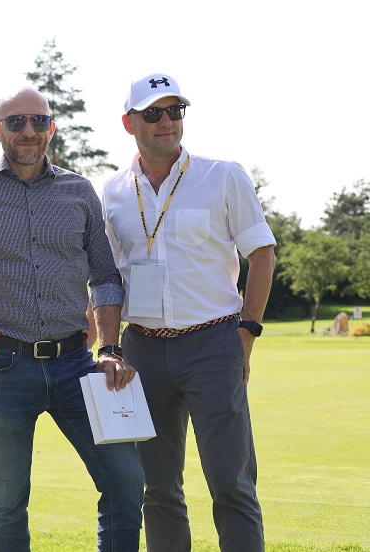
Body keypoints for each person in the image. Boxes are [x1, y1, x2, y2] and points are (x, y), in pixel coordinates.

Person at [0, 85, 145, 552]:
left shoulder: (79, 192)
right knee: (8, 503)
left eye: (39, 121)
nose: (29, 131)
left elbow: (104, 275)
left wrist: (110, 348)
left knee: (125, 481)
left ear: (51, 128)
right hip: (4, 369)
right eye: (16, 122)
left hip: (77, 366)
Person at [102, 73, 276, 552]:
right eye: (153, 112)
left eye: (175, 110)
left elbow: (262, 253)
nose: (167, 121)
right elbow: (106, 278)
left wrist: (247, 332)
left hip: (213, 344)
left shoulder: (223, 176)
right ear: (129, 123)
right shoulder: (112, 191)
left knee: (231, 482)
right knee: (157, 488)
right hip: (142, 351)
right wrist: (108, 345)